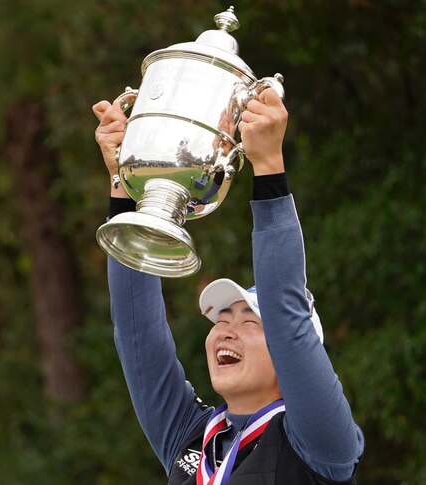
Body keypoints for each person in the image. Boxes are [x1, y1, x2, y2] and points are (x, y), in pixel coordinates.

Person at [92, 89, 364, 484]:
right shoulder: (190, 435)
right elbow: (139, 333)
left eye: (250, 323)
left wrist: (269, 165)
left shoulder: (322, 445)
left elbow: (289, 323)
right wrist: (123, 182)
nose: (224, 329)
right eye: (221, 318)